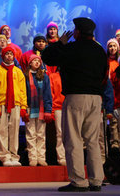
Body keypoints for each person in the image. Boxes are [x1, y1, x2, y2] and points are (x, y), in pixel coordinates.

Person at [42, 17, 107, 192]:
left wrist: (59, 43)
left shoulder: (71, 48)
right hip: (95, 97)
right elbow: (104, 76)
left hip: (76, 96)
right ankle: (96, 180)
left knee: (73, 139)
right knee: (92, 140)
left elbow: (47, 58)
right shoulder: (100, 50)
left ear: (77, 32)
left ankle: (78, 180)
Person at [0, 46, 27, 167]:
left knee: (14, 130)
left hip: (15, 104)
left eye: (11, 54)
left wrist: (23, 106)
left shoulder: (18, 71)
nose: (9, 56)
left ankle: (14, 155)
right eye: (6, 54)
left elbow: (23, 90)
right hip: (2, 103)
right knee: (1, 130)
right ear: (3, 56)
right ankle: (4, 156)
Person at [23, 55, 53, 167]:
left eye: (38, 61)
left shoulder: (44, 77)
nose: (36, 62)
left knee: (41, 134)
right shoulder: (25, 76)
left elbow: (47, 95)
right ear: (30, 63)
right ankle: (32, 158)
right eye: (34, 60)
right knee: (31, 134)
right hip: (30, 108)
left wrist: (48, 110)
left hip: (41, 109)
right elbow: (24, 93)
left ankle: (41, 157)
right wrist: (24, 108)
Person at [45, 22, 66, 166]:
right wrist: (51, 110)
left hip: (70, 107)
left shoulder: (68, 75)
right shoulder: (53, 77)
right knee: (59, 133)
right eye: (50, 29)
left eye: (55, 29)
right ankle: (61, 157)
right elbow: (51, 94)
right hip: (58, 107)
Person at [106, 38, 120, 152]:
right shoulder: (105, 62)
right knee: (112, 121)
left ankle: (119, 143)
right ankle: (113, 143)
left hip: (118, 94)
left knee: (118, 121)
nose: (112, 48)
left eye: (114, 46)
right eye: (110, 46)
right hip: (107, 93)